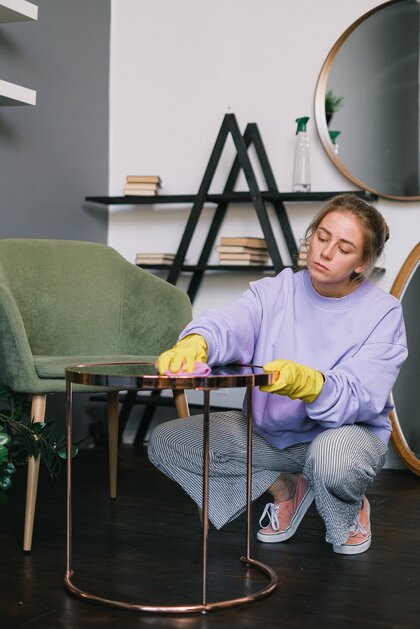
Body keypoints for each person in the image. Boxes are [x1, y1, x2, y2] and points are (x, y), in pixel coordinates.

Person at [148, 194, 407, 555]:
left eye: (344, 247)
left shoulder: (384, 313)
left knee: (330, 459)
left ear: (361, 263)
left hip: (343, 439)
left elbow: (364, 393)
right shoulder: (275, 291)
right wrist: (198, 341)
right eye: (322, 236)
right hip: (271, 438)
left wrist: (311, 384)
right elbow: (230, 322)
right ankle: (287, 488)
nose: (325, 252)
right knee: (167, 442)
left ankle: (348, 513)